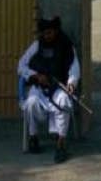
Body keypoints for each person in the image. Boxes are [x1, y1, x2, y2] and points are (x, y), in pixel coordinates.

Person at [18, 16, 80, 162]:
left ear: (56, 31)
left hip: (58, 87)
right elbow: (21, 66)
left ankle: (61, 143)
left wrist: (71, 83)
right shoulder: (37, 46)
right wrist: (36, 76)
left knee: (64, 101)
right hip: (39, 88)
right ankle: (33, 137)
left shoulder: (66, 46)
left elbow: (74, 68)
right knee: (31, 102)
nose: (47, 36)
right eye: (45, 33)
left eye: (50, 33)